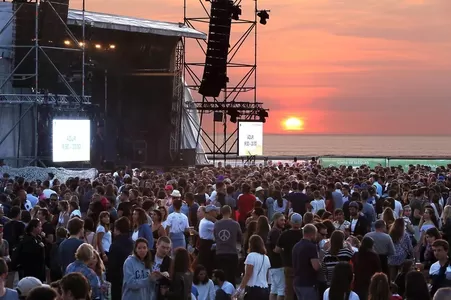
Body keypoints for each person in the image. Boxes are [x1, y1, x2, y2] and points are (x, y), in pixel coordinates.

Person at [214, 205, 242, 286]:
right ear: (230, 212)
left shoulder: (217, 224)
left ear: (221, 213)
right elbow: (240, 238)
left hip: (220, 253)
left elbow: (215, 236)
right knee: (231, 276)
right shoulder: (235, 224)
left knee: (221, 277)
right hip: (232, 253)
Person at [235, 235, 270, 299]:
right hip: (265, 289)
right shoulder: (266, 257)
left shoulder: (251, 256)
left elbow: (248, 274)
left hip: (253, 288)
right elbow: (267, 275)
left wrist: (239, 290)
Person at [107, 217, 134, 300]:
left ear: (117, 229)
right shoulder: (132, 243)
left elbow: (112, 265)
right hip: (129, 278)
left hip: (117, 280)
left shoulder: (115, 245)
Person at [292, 224, 320, 300]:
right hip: (308, 283)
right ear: (312, 234)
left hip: (297, 282)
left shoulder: (296, 246)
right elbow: (316, 266)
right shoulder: (311, 247)